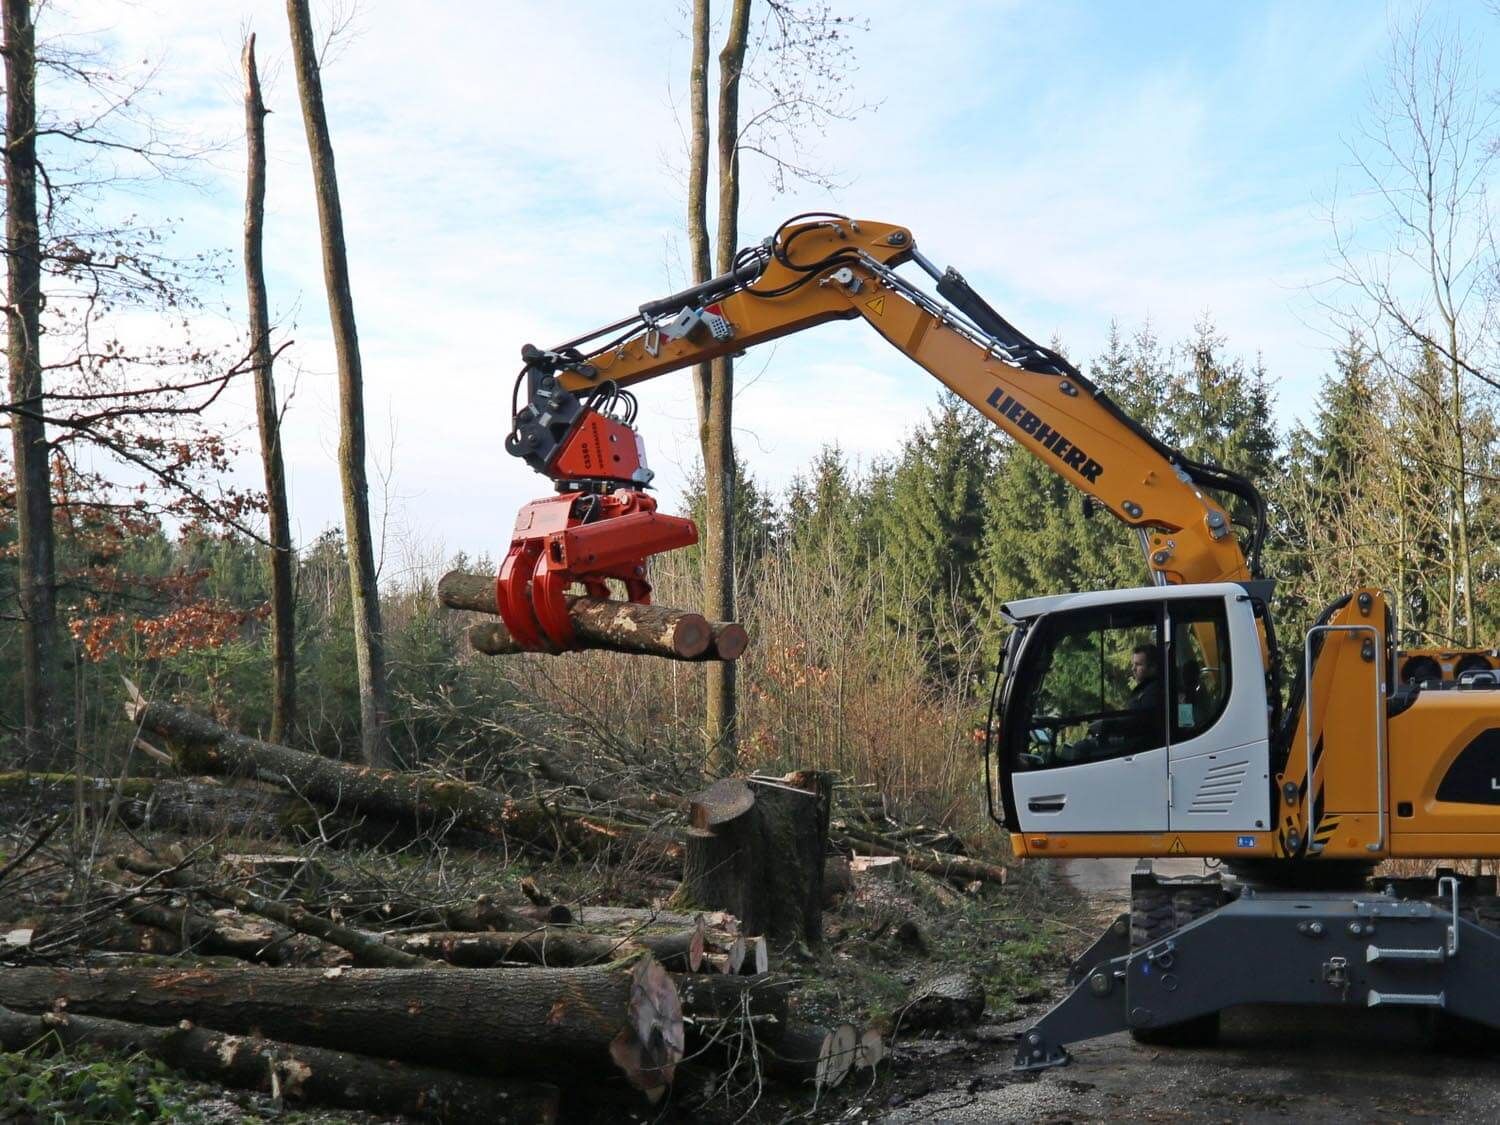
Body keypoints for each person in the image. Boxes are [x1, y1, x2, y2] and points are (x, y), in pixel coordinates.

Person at [1057, 642, 1165, 763]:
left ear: (1153, 667)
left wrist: (1107, 726)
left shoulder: (1154, 691)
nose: (1133, 669)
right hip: (1131, 742)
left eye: (1138, 664)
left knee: (1081, 748)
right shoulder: (1146, 689)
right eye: (1133, 664)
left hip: (1139, 747)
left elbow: (1140, 722)